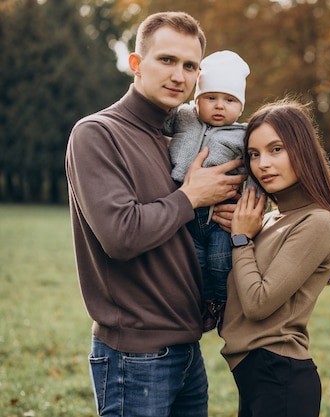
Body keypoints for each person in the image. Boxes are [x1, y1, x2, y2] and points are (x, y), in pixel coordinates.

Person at [65, 11, 245, 417]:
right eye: (166, 60)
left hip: (187, 347)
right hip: (136, 354)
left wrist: (228, 215)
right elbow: (121, 236)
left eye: (189, 66)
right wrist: (191, 196)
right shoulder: (97, 133)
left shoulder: (179, 136)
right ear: (135, 64)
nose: (178, 75)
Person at [219, 98, 330, 417]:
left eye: (275, 149)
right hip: (255, 378)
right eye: (254, 154)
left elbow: (258, 303)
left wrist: (240, 240)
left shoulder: (318, 222)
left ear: (302, 150)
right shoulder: (267, 220)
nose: (263, 163)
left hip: (280, 380)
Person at [164, 50, 254, 332]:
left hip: (220, 213)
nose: (219, 106)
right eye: (210, 98)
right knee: (195, 263)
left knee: (220, 263)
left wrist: (254, 206)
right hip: (185, 208)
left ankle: (225, 306)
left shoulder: (242, 135)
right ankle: (204, 306)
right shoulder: (183, 118)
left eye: (229, 100)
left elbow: (254, 173)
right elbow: (155, 118)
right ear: (196, 100)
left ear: (240, 107)